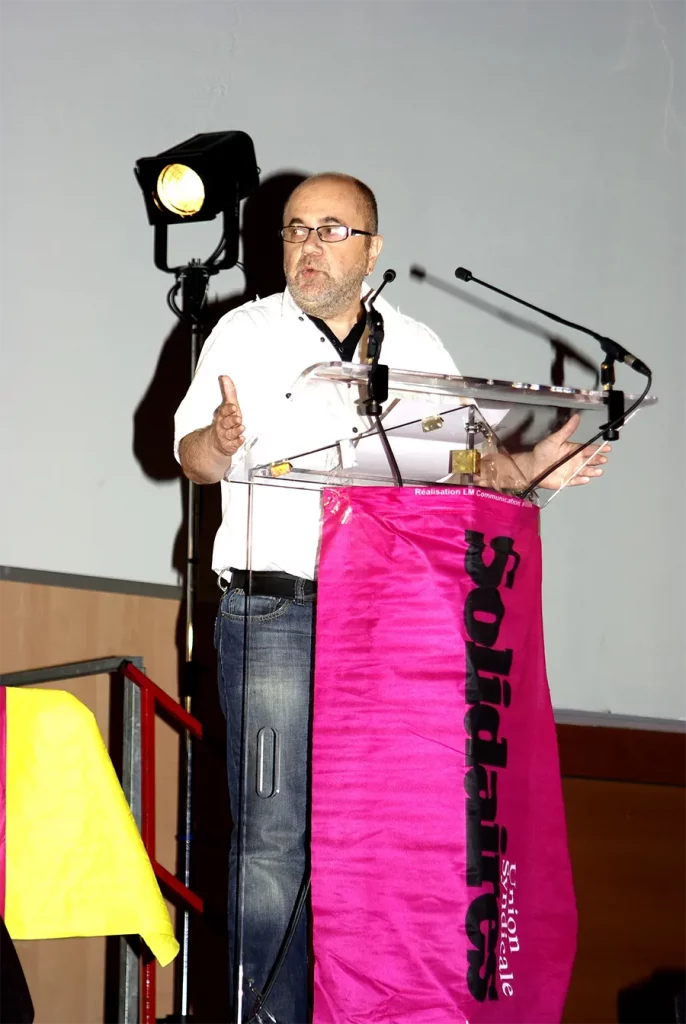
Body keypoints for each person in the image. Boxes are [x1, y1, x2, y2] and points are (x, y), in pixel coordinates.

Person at [174, 172, 609, 1022]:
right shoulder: (247, 330)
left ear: (373, 251)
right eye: (296, 229)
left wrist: (529, 473)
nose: (307, 245)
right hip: (277, 611)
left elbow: (467, 469)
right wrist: (220, 441)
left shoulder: (414, 343)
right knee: (275, 844)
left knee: (376, 840)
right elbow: (190, 456)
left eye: (331, 230)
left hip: (386, 623)